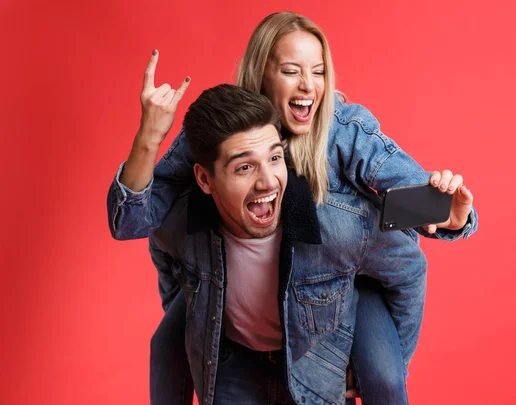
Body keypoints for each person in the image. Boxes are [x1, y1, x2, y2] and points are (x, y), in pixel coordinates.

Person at [107, 11, 478, 405]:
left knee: (384, 376)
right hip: (241, 277)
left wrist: (444, 210)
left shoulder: (343, 130)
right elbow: (138, 220)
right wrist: (149, 137)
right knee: (165, 344)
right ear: (261, 73)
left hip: (346, 273)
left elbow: (401, 199)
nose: (308, 86)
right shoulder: (223, 130)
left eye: (318, 72)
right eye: (290, 70)